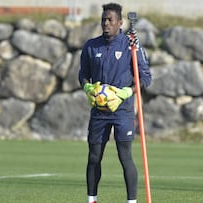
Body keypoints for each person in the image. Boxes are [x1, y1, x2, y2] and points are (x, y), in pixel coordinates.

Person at [78, 3, 152, 203]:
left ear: (120, 23)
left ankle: (132, 201)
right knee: (94, 157)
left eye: (110, 19)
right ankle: (92, 199)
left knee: (125, 156)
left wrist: (126, 92)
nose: (106, 23)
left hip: (123, 111)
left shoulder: (131, 46)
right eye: (104, 19)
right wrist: (88, 88)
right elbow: (83, 75)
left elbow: (145, 78)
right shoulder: (91, 46)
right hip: (99, 111)